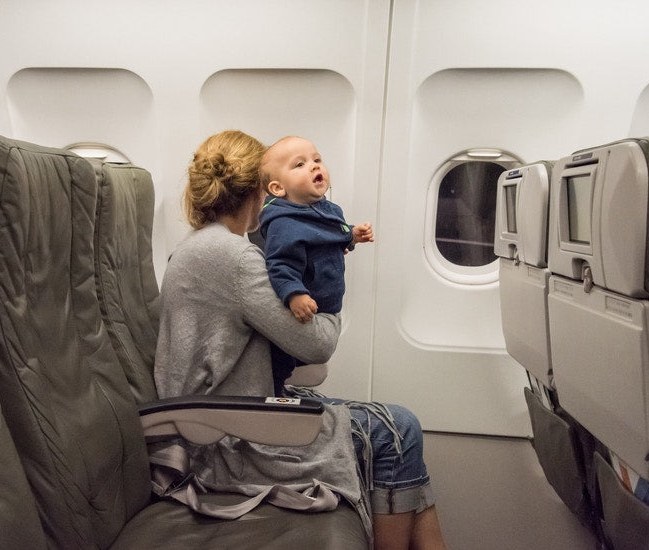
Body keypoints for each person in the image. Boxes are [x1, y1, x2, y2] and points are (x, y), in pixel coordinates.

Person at [153, 130, 448, 550]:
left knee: (398, 425)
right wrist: (328, 274)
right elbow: (317, 344)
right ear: (260, 189)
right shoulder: (234, 258)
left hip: (220, 418)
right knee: (397, 430)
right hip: (225, 440)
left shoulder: (201, 246)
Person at [259, 136, 373, 394]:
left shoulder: (328, 209)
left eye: (317, 159)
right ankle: (275, 396)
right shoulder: (283, 223)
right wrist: (295, 295)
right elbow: (279, 264)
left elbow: (331, 237)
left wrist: (352, 236)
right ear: (278, 189)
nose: (313, 166)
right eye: (299, 164)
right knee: (280, 367)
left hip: (325, 307)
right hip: (304, 308)